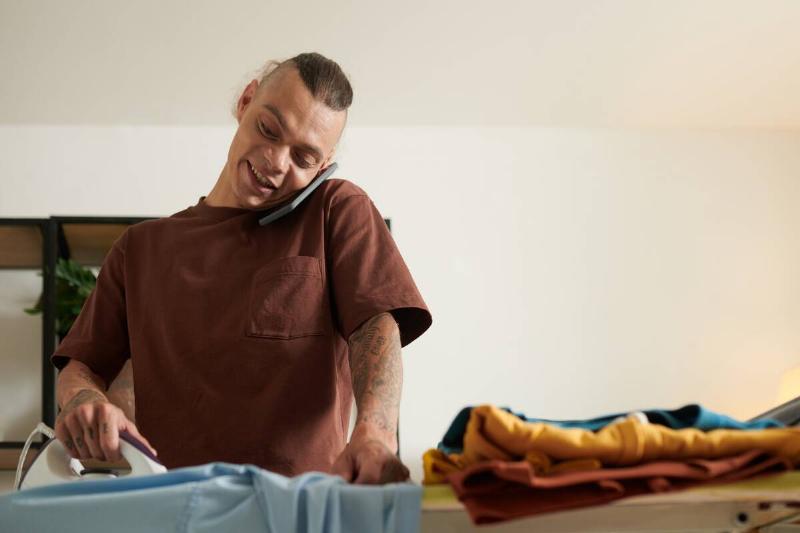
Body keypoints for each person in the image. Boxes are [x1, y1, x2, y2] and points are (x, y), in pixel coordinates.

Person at [51, 52, 432, 484]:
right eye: (269, 129)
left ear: (323, 167)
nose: (276, 161)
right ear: (247, 101)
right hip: (172, 509)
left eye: (304, 158)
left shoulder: (335, 210)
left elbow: (375, 325)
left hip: (297, 511)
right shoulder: (140, 249)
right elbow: (79, 364)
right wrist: (83, 398)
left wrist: (376, 433)